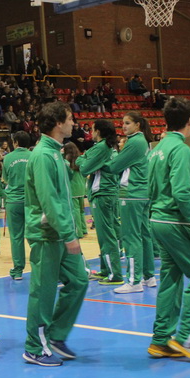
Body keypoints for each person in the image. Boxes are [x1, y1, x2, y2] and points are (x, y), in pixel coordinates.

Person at [22, 102, 89, 367]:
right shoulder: (42, 155)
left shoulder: (56, 153)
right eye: (70, 119)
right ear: (58, 123)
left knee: (79, 280)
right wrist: (68, 233)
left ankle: (56, 335)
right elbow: (49, 200)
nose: (74, 123)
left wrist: (70, 232)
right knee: (43, 291)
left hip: (61, 233)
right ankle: (34, 347)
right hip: (46, 234)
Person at [147, 97, 190, 361]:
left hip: (158, 220)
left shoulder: (157, 149)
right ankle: (186, 338)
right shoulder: (181, 150)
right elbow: (182, 193)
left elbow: (151, 187)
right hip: (176, 222)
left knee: (170, 278)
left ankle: (160, 340)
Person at [101, 111, 156, 292]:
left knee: (131, 237)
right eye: (122, 123)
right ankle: (148, 276)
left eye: (127, 123)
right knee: (144, 235)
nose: (123, 126)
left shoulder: (134, 142)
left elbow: (115, 166)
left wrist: (97, 162)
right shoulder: (142, 141)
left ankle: (134, 281)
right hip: (142, 193)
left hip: (132, 193)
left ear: (137, 125)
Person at [76, 119, 123, 285]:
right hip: (108, 194)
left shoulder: (101, 148)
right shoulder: (108, 147)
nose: (91, 132)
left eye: (93, 129)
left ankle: (114, 275)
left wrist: (82, 159)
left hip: (102, 194)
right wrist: (85, 158)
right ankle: (106, 269)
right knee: (106, 234)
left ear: (99, 131)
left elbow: (83, 168)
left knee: (106, 236)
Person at [1, 131, 32, 280]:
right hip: (31, 201)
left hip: (13, 202)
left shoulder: (7, 158)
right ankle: (41, 267)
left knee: (16, 238)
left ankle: (18, 270)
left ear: (16, 142)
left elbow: (5, 179)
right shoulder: (33, 156)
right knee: (35, 236)